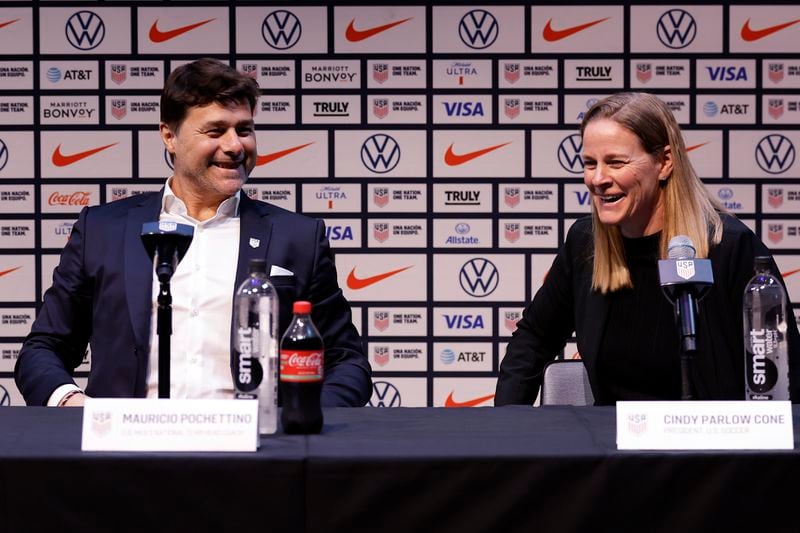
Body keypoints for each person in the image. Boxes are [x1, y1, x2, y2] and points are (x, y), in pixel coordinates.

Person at [15, 58, 371, 407]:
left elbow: (345, 362)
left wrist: (303, 420)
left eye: (244, 130)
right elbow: (44, 348)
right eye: (215, 131)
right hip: (123, 456)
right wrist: (71, 403)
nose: (235, 146)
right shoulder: (103, 230)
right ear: (169, 136)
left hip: (259, 457)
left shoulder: (299, 237)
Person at [496, 92, 800, 405]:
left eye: (615, 163)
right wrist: (506, 426)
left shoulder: (730, 247)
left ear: (664, 162)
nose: (598, 179)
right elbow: (533, 339)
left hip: (712, 447)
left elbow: (782, 371)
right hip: (610, 447)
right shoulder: (585, 242)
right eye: (589, 163)